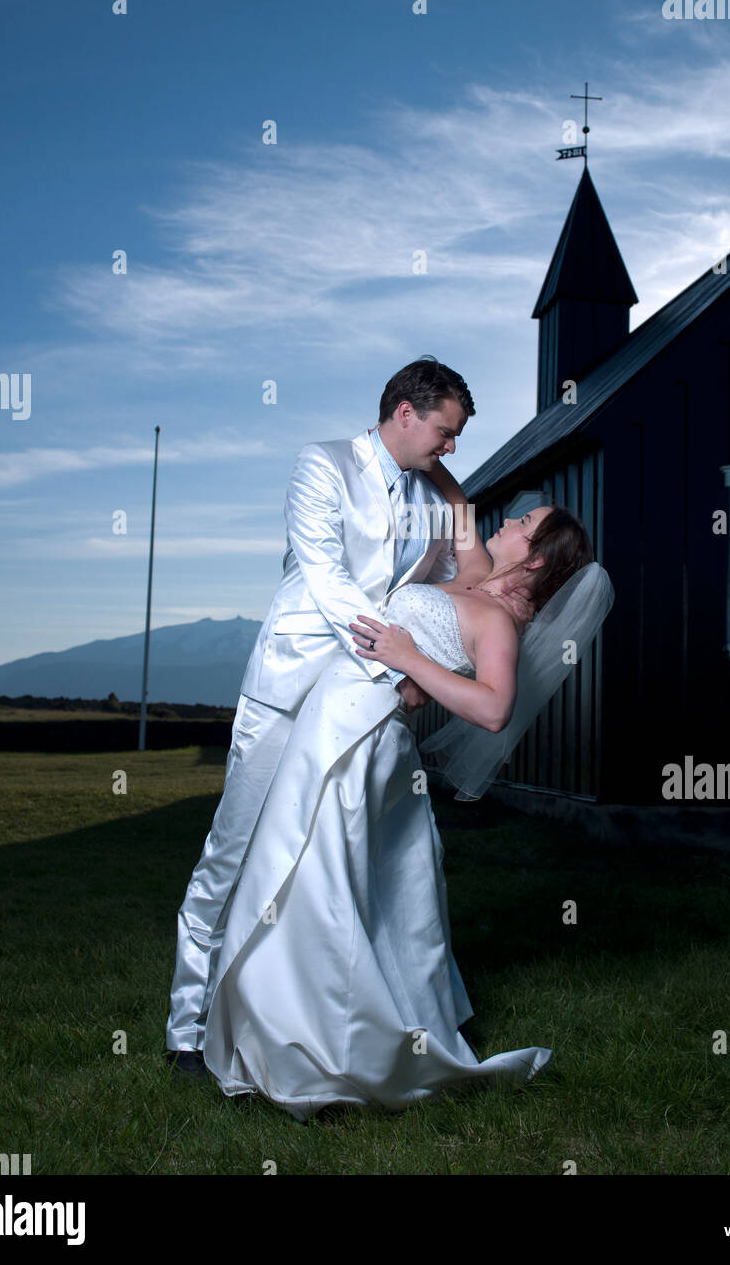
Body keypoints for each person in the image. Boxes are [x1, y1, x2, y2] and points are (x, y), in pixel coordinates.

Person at [199, 456, 613, 1122]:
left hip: (363, 738)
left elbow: (492, 710)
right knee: (290, 872)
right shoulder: (473, 579)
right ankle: (273, 1039)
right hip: (329, 717)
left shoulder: (499, 623)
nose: (506, 522)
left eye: (523, 524)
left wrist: (409, 659)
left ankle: (322, 1052)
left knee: (315, 882)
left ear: (536, 561)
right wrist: (431, 454)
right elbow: (456, 513)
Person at [165, 357, 476, 1074]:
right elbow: (326, 575)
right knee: (233, 852)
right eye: (444, 431)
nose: (450, 447)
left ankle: (393, 1016)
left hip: (368, 700)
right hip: (296, 683)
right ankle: (187, 1026)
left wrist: (429, 661)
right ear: (404, 411)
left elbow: (454, 584)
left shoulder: (434, 499)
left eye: (456, 436)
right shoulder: (322, 463)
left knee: (379, 854)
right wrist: (397, 665)